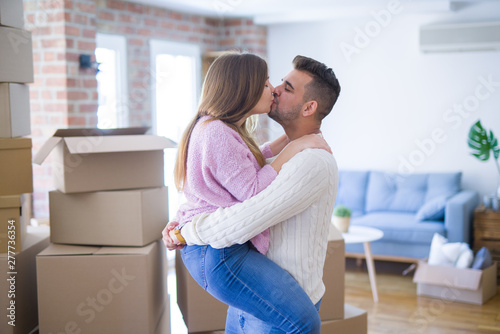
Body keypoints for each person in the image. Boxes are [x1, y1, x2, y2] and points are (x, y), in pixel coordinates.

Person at [164, 55, 341, 333]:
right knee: (305, 323)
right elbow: (250, 197)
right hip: (223, 252)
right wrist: (184, 230)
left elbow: (245, 169)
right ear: (242, 89)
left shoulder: (311, 161)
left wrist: (185, 227)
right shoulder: (218, 133)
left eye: (286, 86)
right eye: (270, 82)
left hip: (235, 256)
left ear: (309, 107)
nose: (275, 89)